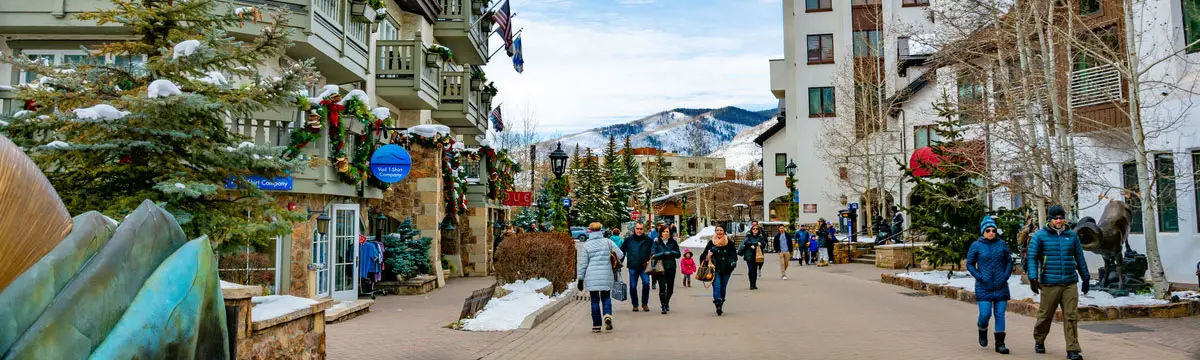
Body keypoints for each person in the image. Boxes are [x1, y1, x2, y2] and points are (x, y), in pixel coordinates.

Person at [1027, 205, 1089, 360]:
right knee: (1045, 315)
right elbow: (1032, 258)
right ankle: (1039, 339)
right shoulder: (1040, 236)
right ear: (1050, 219)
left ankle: (1072, 349)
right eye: (1056, 218)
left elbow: (1080, 257)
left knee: (1071, 316)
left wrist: (1086, 277)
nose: (1059, 220)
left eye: (1061, 217)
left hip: (1069, 282)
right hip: (1049, 282)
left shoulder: (1072, 236)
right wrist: (1033, 278)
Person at [967, 216, 1013, 355]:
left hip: (1001, 285)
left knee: (1000, 314)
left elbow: (1009, 261)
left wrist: (1005, 276)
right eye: (988, 230)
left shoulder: (1002, 244)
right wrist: (979, 276)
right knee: (985, 313)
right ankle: (982, 328)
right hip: (984, 286)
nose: (991, 232)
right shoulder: (976, 245)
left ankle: (1000, 344)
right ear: (983, 231)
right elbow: (969, 264)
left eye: (993, 230)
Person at [576, 222, 624, 333]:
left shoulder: (586, 245)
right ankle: (607, 315)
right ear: (601, 230)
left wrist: (580, 279)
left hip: (591, 275)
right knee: (606, 297)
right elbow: (620, 254)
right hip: (606, 274)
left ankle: (596, 325)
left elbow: (583, 264)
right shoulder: (608, 242)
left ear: (590, 231)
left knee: (594, 300)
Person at [699, 226, 737, 315]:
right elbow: (703, 256)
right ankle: (718, 305)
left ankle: (721, 303)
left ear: (724, 231)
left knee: (723, 288)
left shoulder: (729, 243)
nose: (719, 232)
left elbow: (733, 255)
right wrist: (708, 255)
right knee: (717, 287)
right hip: (714, 269)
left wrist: (732, 262)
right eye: (717, 230)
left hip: (726, 269)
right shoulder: (711, 243)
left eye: (721, 230)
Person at [620, 222, 654, 312]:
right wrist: (618, 263)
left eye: (641, 229)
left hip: (644, 266)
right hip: (633, 266)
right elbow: (622, 251)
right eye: (637, 228)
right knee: (633, 286)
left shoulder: (649, 240)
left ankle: (645, 303)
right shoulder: (628, 240)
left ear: (644, 230)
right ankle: (635, 304)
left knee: (646, 284)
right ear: (634, 229)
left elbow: (653, 252)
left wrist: (651, 260)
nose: (639, 230)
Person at [651, 226, 681, 314]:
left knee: (670, 288)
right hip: (660, 267)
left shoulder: (673, 242)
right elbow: (653, 254)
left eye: (667, 232)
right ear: (660, 233)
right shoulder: (657, 242)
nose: (666, 233)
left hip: (671, 267)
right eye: (664, 231)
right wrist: (663, 253)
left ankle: (667, 302)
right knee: (662, 287)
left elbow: (678, 254)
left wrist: (672, 253)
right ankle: (663, 305)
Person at [739, 224, 765, 290]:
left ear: (758, 230)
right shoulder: (748, 236)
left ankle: (754, 284)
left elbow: (763, 245)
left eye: (756, 229)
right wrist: (755, 244)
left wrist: (759, 245)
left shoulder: (760, 237)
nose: (755, 230)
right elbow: (746, 242)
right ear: (751, 230)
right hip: (749, 255)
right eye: (754, 229)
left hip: (757, 255)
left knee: (755, 270)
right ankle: (751, 284)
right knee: (750, 270)